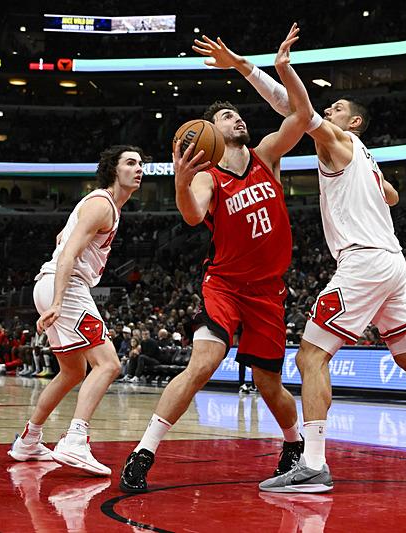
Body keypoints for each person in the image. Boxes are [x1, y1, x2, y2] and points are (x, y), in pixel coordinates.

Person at [194, 25, 406, 493]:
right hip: (391, 262)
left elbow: (296, 110)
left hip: (363, 262)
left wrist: (256, 67)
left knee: (310, 357)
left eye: (337, 109)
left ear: (354, 122)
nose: (329, 111)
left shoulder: (339, 142)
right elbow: (393, 195)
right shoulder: (365, 155)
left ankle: (315, 463)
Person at [120, 27, 311, 493]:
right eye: (227, 116)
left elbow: (303, 115)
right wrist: (182, 182)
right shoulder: (207, 176)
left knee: (270, 386)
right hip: (225, 285)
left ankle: (294, 445)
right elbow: (191, 216)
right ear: (210, 133)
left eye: (238, 114)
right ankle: (143, 452)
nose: (238, 119)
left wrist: (257, 66)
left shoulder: (266, 154)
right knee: (203, 363)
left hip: (269, 290)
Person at [7, 145, 143, 476]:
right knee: (109, 364)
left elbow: (60, 238)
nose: (138, 168)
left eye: (140, 163)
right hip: (65, 288)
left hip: (52, 283)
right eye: (130, 163)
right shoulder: (102, 205)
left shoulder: (101, 204)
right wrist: (57, 301)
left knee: (72, 372)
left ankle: (29, 440)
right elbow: (67, 253)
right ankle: (75, 439)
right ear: (114, 170)